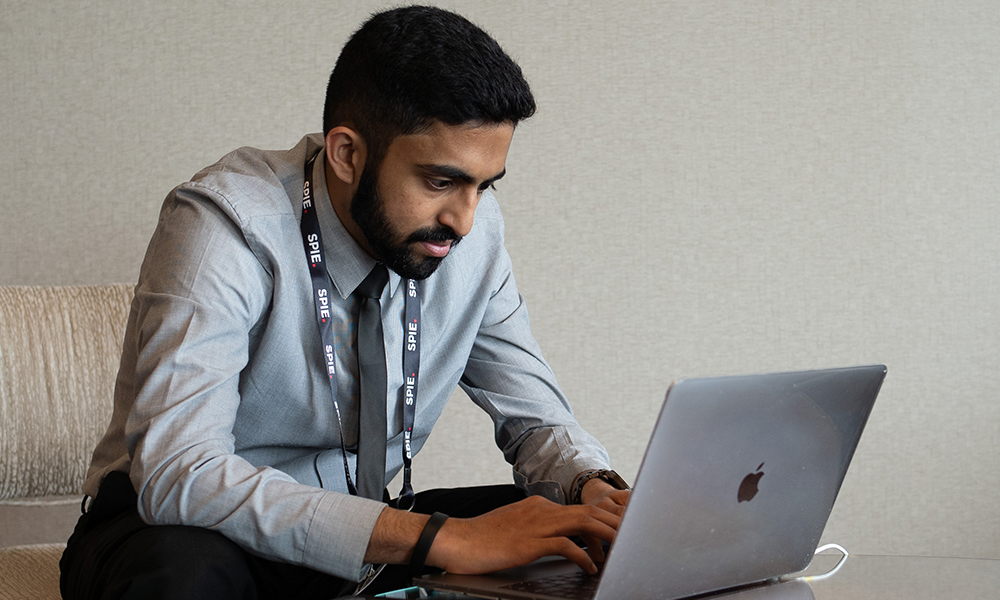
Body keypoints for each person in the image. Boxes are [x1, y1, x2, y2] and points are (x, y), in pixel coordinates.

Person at [60, 6, 630, 599]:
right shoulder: (224, 224)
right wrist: (437, 538)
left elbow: (536, 420)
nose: (463, 219)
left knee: (573, 534)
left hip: (359, 530)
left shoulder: (471, 236)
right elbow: (180, 474)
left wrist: (593, 487)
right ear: (347, 153)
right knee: (183, 573)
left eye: (484, 186)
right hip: (180, 532)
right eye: (440, 181)